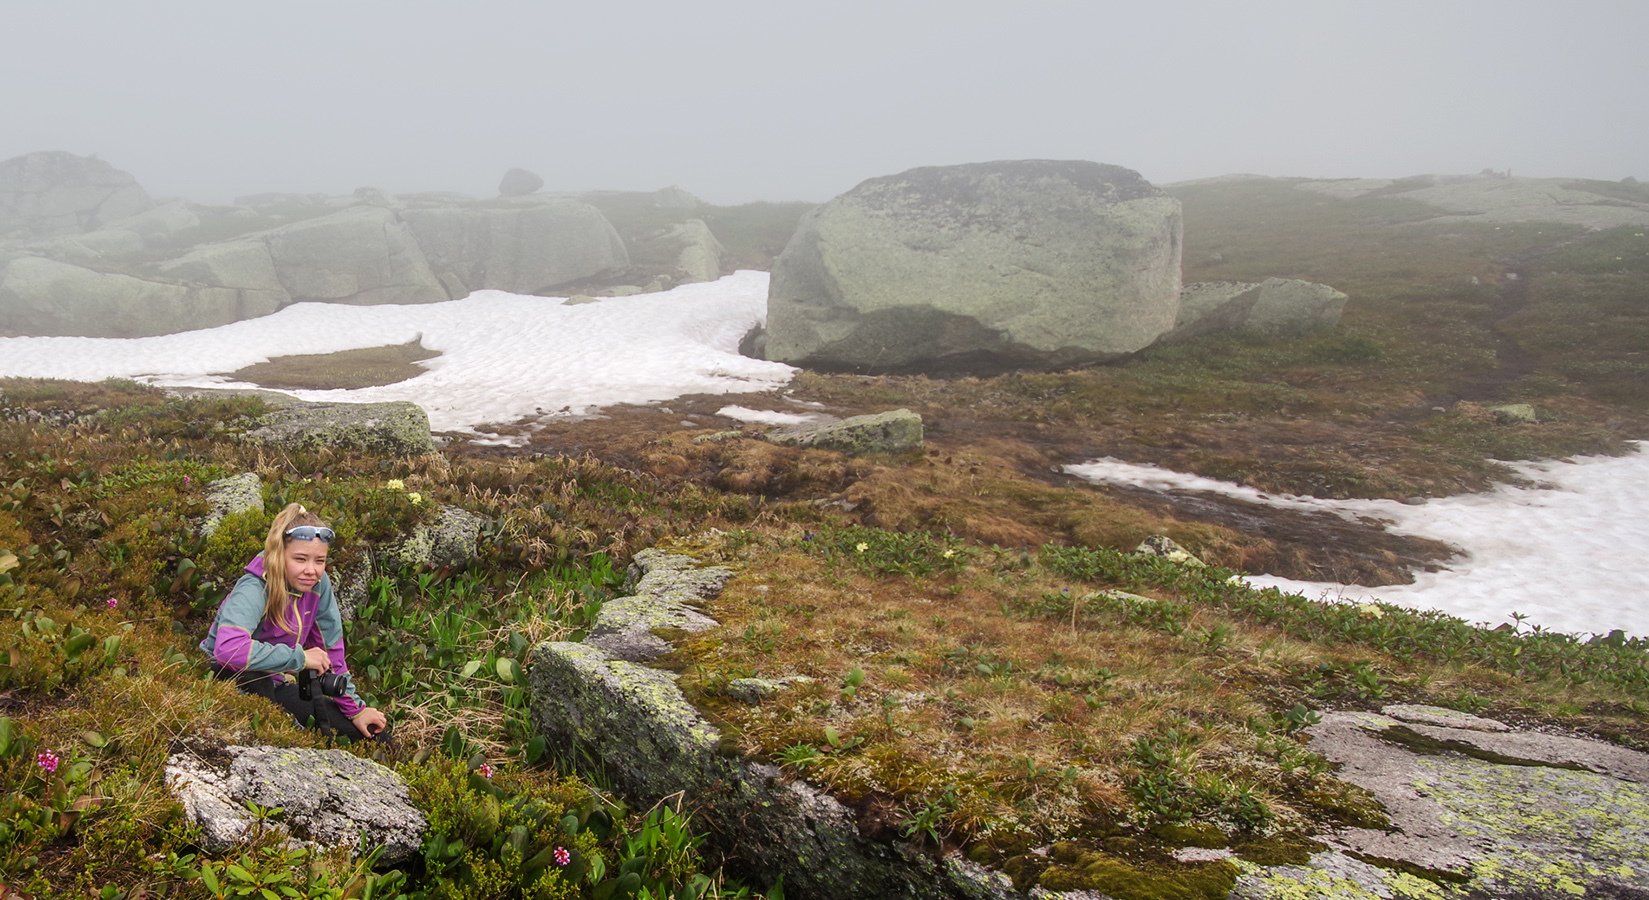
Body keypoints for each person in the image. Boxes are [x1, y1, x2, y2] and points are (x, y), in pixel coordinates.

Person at [200, 503, 389, 741]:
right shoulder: (254, 587)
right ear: (279, 555)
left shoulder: (318, 585)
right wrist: (300, 658)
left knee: (372, 736)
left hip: (274, 681)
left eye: (319, 561)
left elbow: (331, 653)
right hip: (226, 677)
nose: (311, 570)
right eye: (300, 559)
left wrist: (356, 709)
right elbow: (229, 650)